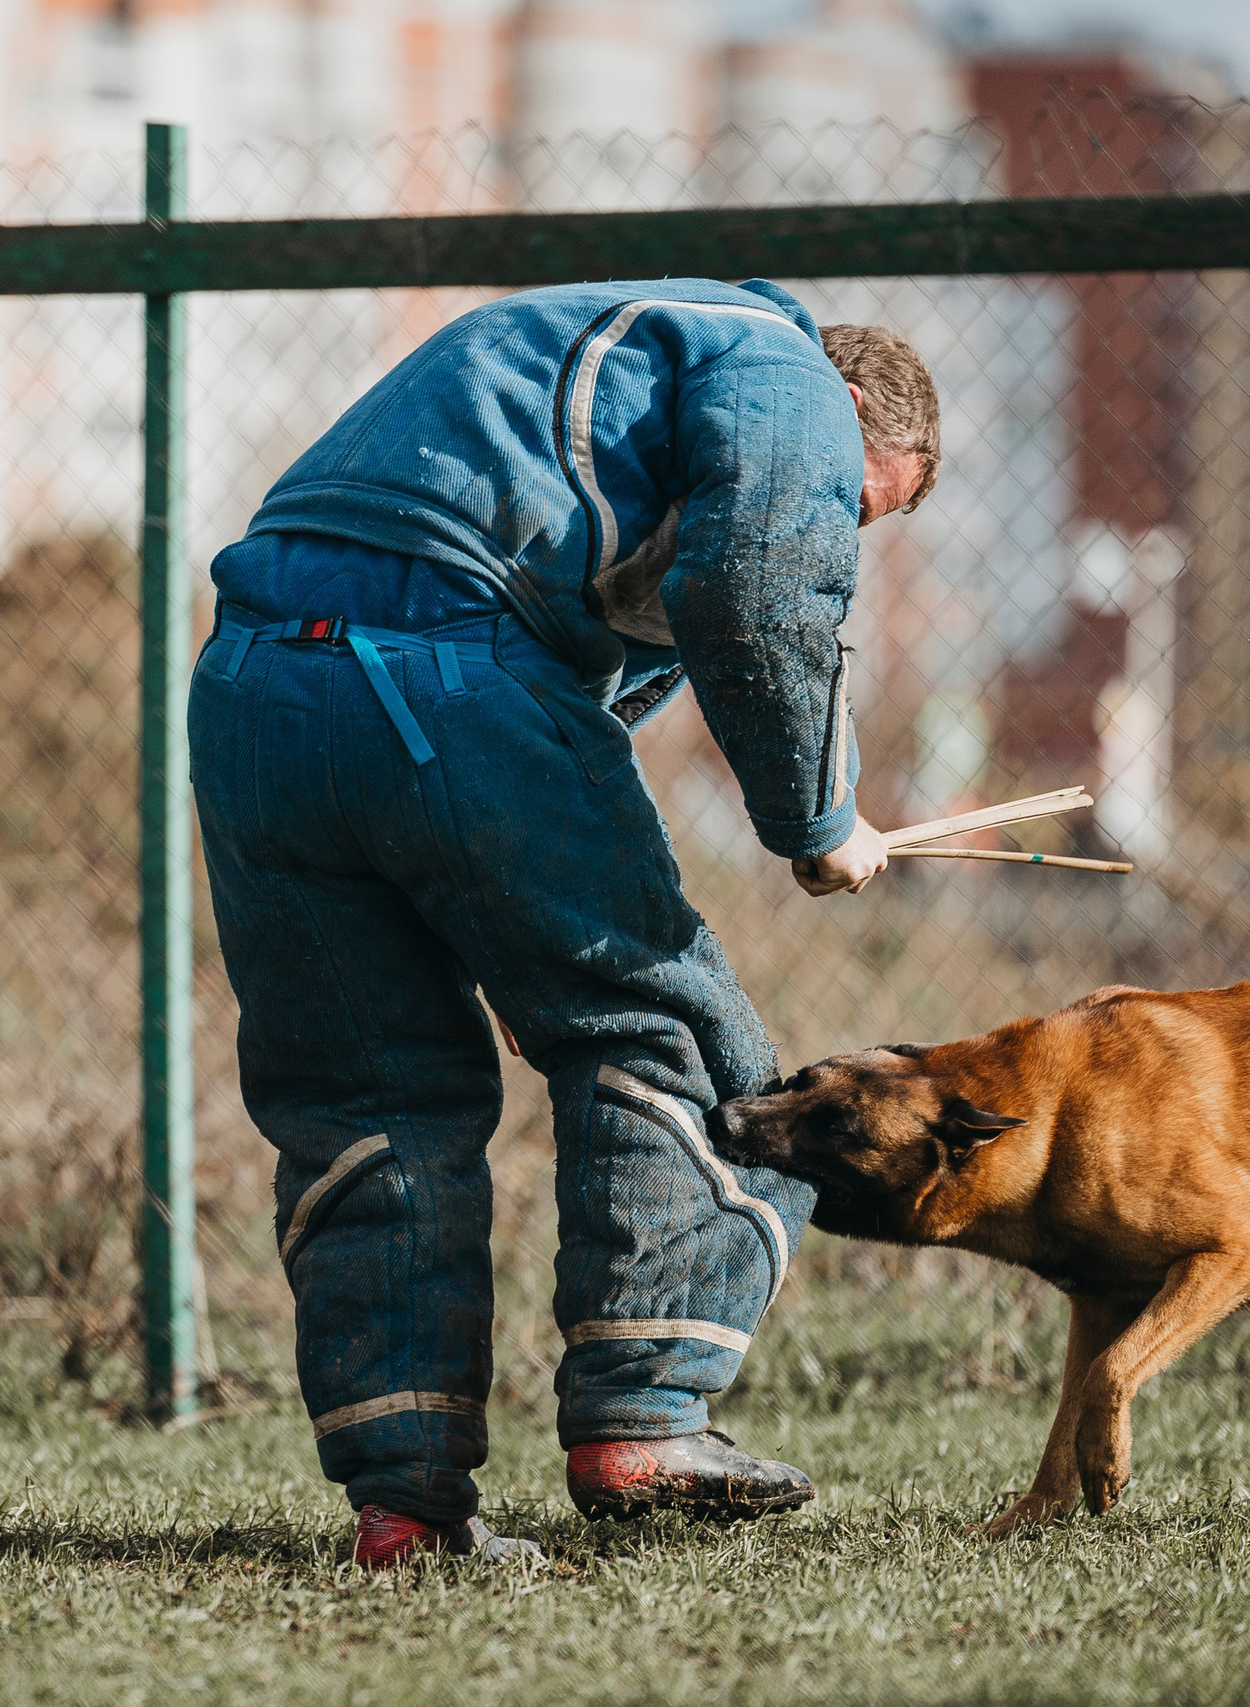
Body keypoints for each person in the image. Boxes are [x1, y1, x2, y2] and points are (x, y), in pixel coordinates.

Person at [189, 278, 937, 1567]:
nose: (850, 534)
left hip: (254, 686)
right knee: (673, 1038)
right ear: (864, 410)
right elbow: (762, 571)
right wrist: (821, 821)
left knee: (365, 1100)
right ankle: (645, 1418)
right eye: (866, 505)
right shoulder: (787, 368)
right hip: (447, 667)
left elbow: (587, 670)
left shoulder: (590, 356)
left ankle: (404, 1510)